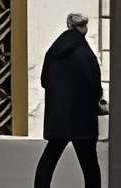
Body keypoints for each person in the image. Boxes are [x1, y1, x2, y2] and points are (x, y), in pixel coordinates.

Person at [35, 13, 104, 188]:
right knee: (89, 165)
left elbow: (44, 80)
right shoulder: (85, 53)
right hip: (82, 118)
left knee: (49, 159)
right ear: (82, 28)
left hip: (59, 116)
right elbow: (94, 84)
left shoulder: (53, 51)